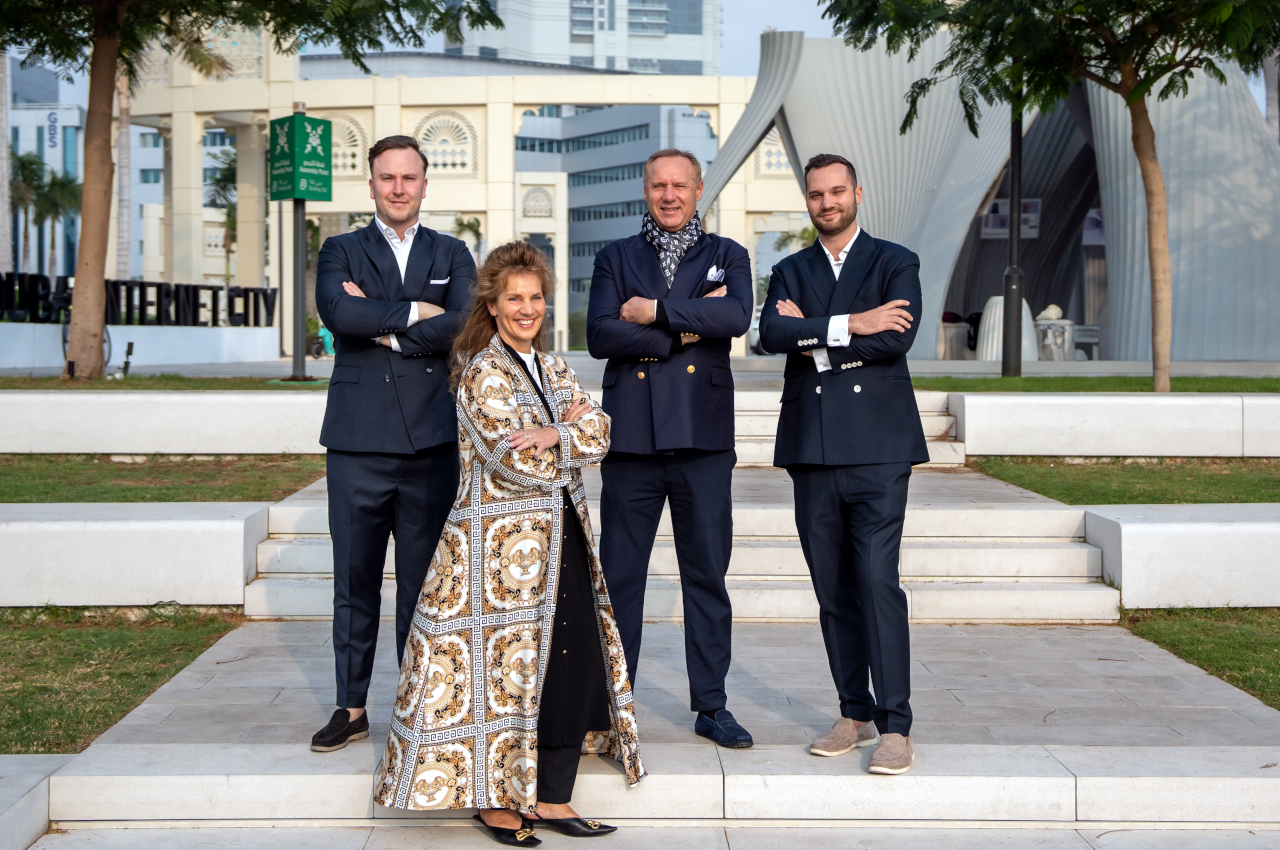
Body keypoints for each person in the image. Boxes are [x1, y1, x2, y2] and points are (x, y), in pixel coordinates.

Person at [373, 241, 644, 847]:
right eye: (514, 299)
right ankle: (496, 804)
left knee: (566, 668)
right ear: (492, 306)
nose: (528, 309)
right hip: (496, 553)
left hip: (562, 537)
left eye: (536, 298)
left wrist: (556, 432)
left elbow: (602, 430)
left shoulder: (551, 366)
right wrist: (568, 432)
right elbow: (512, 460)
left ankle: (552, 797)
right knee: (502, 675)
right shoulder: (480, 370)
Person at [757, 153, 929, 775]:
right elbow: (770, 336)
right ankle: (852, 712)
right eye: (816, 195)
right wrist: (852, 323)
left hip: (880, 448)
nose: (826, 203)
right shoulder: (790, 268)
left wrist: (817, 335)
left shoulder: (894, 260)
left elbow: (897, 338)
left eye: (836, 192)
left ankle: (896, 724)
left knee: (877, 581)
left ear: (858, 191)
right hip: (813, 447)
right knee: (831, 588)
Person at [309, 135, 476, 753]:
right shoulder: (341, 249)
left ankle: (416, 709)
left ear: (425, 185)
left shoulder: (453, 251)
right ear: (372, 185)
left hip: (430, 441)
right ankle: (351, 709)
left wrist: (380, 322)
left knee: (421, 585)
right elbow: (336, 313)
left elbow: (464, 325)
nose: (399, 187)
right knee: (353, 582)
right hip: (357, 441)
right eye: (387, 178)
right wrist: (413, 315)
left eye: (409, 178)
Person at [587, 149, 754, 748]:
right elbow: (601, 333)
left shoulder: (727, 254)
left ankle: (712, 706)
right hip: (632, 440)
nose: (669, 195)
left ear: (698, 188)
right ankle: (611, 706)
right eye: (659, 184)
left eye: (679, 185)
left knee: (705, 575)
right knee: (621, 578)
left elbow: (735, 317)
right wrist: (686, 328)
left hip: (703, 438)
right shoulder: (615, 256)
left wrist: (653, 312)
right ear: (645, 189)